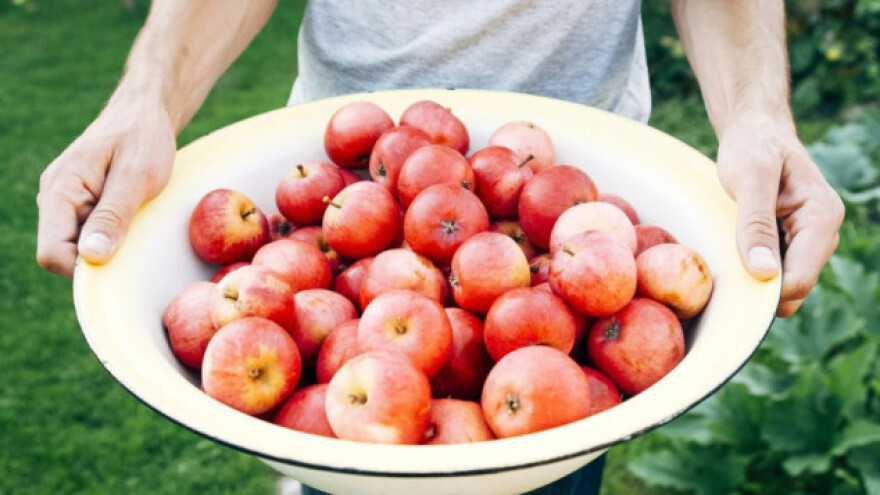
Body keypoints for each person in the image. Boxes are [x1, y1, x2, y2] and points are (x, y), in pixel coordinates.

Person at [35, 1, 844, 494]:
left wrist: (758, 113)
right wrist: (147, 97)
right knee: (339, 449)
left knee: (546, 462)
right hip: (341, 183)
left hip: (577, 185)